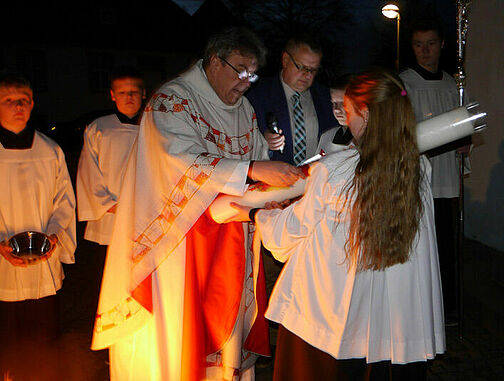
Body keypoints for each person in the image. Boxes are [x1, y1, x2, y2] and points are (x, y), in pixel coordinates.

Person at [91, 27, 304, 381]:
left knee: (224, 337)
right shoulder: (172, 101)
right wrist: (253, 168)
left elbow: (254, 159)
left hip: (229, 241)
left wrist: (271, 183)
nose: (247, 82)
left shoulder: (244, 109)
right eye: (240, 70)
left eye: (253, 73)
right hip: (178, 243)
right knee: (179, 337)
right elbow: (179, 159)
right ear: (214, 61)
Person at [228, 69, 445, 380]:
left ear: (366, 114)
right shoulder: (420, 167)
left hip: (333, 322)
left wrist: (260, 215)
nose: (345, 118)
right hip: (397, 318)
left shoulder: (335, 169)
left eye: (349, 110)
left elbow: (291, 233)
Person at [0, 73, 76, 380]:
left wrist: (55, 235)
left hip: (43, 262)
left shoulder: (51, 151)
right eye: (8, 100)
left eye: (24, 100)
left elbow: (65, 202)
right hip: (2, 267)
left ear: (32, 105)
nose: (18, 106)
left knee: (44, 343)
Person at [400, 18, 470, 324]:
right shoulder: (404, 83)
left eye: (430, 44)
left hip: (445, 177)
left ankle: (447, 306)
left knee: (445, 244)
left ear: (442, 44)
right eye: (418, 44)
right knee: (419, 245)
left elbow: (463, 123)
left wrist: (466, 141)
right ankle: (419, 306)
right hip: (418, 178)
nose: (424, 51)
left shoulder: (452, 84)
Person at [77, 66, 146, 246]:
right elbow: (88, 172)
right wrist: (109, 204)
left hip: (145, 213)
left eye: (134, 92)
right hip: (109, 216)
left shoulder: (154, 126)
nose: (129, 97)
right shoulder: (99, 128)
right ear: (113, 95)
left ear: (143, 93)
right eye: (122, 92)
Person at [247, 33, 337, 165]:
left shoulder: (326, 98)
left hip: (317, 179)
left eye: (313, 70)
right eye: (301, 67)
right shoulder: (257, 95)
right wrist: (262, 142)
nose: (307, 75)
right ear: (285, 60)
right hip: (274, 179)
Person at [316, 74, 354, 154]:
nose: (336, 109)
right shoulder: (327, 137)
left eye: (343, 103)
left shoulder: (371, 140)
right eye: (334, 103)